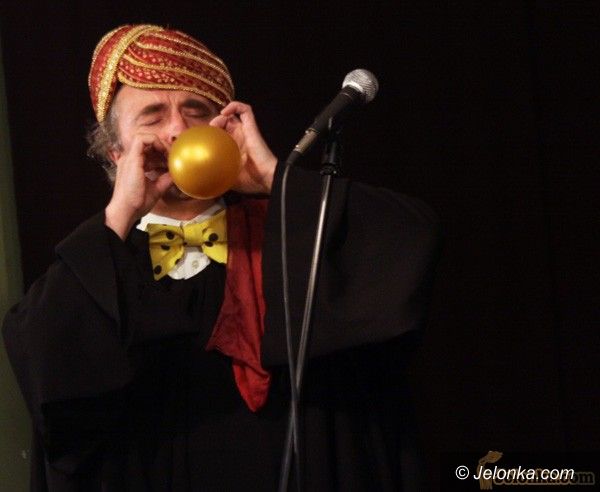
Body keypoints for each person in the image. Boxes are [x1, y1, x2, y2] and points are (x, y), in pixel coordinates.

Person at [3, 24, 440, 491]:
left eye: (197, 111)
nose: (178, 129)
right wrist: (119, 215)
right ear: (115, 152)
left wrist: (274, 179)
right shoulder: (97, 266)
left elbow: (411, 244)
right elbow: (48, 370)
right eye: (153, 116)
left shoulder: (293, 233)